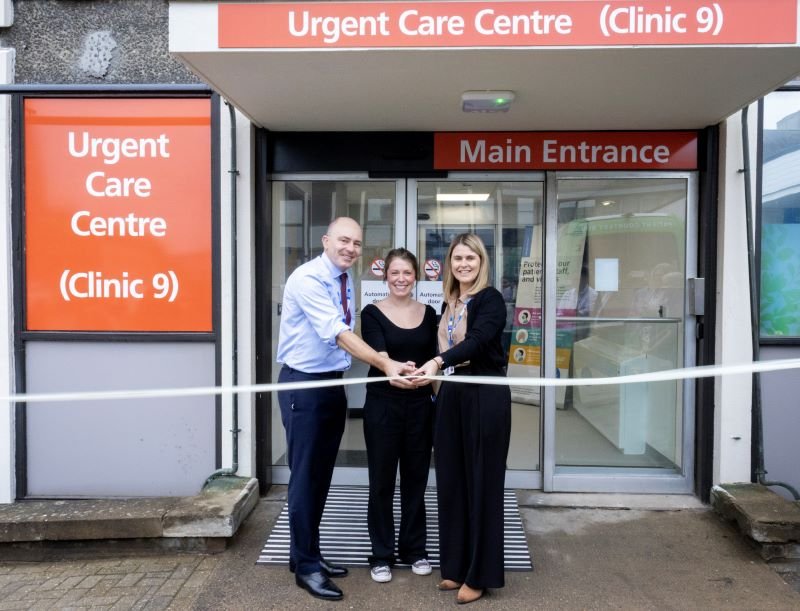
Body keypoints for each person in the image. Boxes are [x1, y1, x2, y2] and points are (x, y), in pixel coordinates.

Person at [276, 217, 415, 601]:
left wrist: (384, 356)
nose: (350, 248)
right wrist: (384, 364)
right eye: (343, 240)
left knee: (320, 475)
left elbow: (345, 337)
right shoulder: (308, 279)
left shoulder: (343, 280)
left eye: (356, 243)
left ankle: (307, 553)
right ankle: (305, 567)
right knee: (305, 477)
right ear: (326, 240)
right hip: (304, 386)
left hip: (331, 384)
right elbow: (338, 332)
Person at [411, 233, 511, 605]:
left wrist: (438, 361)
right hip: (451, 396)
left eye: (471, 258)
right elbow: (437, 345)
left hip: (484, 398)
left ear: (482, 262)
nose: (464, 264)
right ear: (450, 264)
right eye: (458, 259)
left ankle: (480, 575)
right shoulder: (450, 302)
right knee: (452, 480)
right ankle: (455, 566)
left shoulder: (491, 300)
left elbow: (479, 341)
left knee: (482, 484)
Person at [360, 248, 438, 584]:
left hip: (420, 405)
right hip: (383, 405)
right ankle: (381, 554)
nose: (401, 279)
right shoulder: (372, 312)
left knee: (416, 479)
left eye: (407, 273)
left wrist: (428, 378)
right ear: (385, 276)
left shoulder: (430, 311)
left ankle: (414, 549)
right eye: (395, 273)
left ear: (416, 276)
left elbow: (437, 358)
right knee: (381, 481)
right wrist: (397, 369)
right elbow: (379, 355)